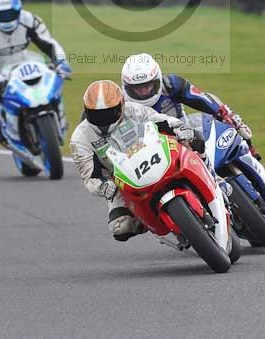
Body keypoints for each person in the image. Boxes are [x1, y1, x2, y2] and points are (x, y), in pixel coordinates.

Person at [69, 80, 204, 242]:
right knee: (120, 228)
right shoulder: (80, 138)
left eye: (109, 112)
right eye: (97, 114)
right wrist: (104, 187)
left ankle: (209, 172)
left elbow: (160, 119)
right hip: (120, 181)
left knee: (192, 139)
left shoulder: (133, 110)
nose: (103, 119)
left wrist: (179, 128)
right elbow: (90, 176)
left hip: (153, 155)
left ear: (121, 106)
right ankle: (149, 221)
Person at [121, 53, 265, 187]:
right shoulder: (122, 106)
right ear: (126, 87)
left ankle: (255, 163)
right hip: (155, 153)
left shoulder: (171, 84)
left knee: (236, 125)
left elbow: (203, 98)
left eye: (148, 85)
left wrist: (225, 114)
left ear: (157, 79)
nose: (143, 91)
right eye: (137, 88)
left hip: (187, 135)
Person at [0, 0, 71, 143]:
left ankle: (60, 120)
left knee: (52, 80)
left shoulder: (30, 20)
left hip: (23, 60)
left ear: (19, 9)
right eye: (2, 15)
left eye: (10, 13)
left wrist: (62, 62)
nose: (7, 18)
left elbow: (50, 43)